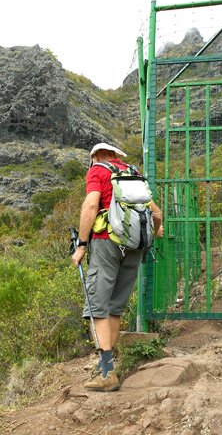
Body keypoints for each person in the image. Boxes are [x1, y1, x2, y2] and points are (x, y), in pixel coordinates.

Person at [71, 142, 163, 392]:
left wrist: (81, 245)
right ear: (115, 156)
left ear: (96, 157)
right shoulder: (133, 173)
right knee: (114, 308)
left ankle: (107, 373)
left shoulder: (98, 171)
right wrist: (156, 232)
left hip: (106, 244)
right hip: (135, 245)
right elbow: (156, 214)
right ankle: (108, 366)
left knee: (98, 308)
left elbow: (91, 206)